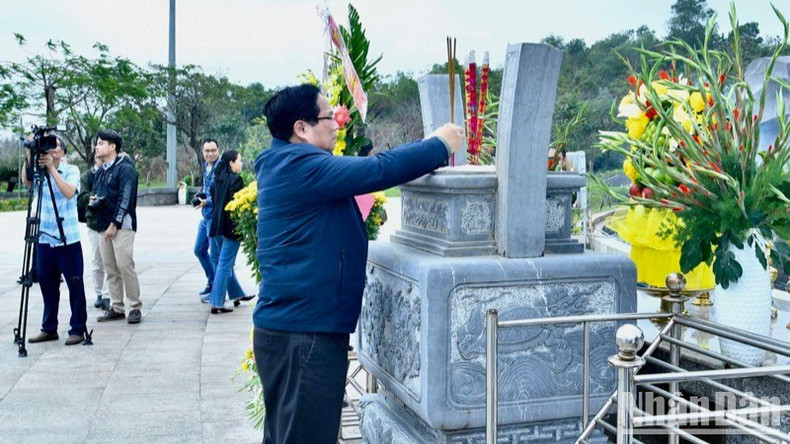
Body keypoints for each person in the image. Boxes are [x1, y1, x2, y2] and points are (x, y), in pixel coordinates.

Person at [252, 83, 463, 444]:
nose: (337, 124)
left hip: (294, 329)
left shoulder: (282, 162)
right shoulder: (298, 165)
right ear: (300, 129)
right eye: (327, 116)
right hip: (305, 334)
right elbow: (378, 170)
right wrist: (439, 144)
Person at [21, 135, 89, 345]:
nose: (51, 150)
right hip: (44, 237)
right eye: (48, 147)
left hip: (67, 239)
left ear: (63, 152)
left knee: (74, 285)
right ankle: (49, 328)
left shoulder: (72, 170)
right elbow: (26, 181)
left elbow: (69, 192)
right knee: (47, 286)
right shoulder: (38, 171)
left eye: (55, 146)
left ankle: (77, 328)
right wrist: (30, 153)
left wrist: (51, 169)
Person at [92, 130, 143, 324]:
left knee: (124, 265)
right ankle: (116, 306)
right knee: (110, 267)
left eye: (101, 143)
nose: (97, 147)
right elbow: (98, 193)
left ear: (112, 146)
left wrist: (115, 223)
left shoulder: (125, 168)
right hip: (103, 225)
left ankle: (135, 306)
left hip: (122, 225)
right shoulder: (102, 170)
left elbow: (126, 198)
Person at [206, 149, 254, 313]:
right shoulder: (236, 180)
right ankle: (217, 302)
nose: (241, 163)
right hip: (230, 228)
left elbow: (214, 199)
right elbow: (237, 206)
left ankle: (236, 294)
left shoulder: (217, 180)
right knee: (225, 265)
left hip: (217, 226)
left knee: (223, 263)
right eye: (239, 160)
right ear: (231, 163)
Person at [78, 150, 110, 311]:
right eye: (98, 158)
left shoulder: (111, 172)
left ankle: (107, 295)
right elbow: (81, 197)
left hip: (109, 222)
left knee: (110, 261)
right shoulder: (87, 177)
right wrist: (91, 198)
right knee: (97, 260)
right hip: (93, 222)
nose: (101, 161)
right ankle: (99, 293)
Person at [195, 138, 220, 299]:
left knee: (217, 256)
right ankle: (212, 282)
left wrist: (207, 201)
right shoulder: (206, 167)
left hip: (214, 216)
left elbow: (221, 192)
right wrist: (199, 196)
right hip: (205, 216)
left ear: (218, 151)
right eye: (207, 151)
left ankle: (217, 290)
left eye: (213, 150)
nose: (210, 154)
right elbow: (207, 188)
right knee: (199, 250)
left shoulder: (220, 168)